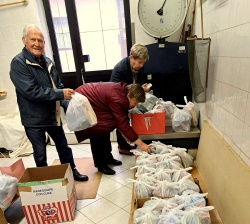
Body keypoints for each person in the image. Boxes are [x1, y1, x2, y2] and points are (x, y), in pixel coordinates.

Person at [10, 24, 88, 182]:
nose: (37, 44)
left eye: (41, 40)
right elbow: (31, 91)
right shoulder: (18, 63)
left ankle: (72, 172)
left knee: (63, 147)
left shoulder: (47, 61)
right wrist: (60, 93)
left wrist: (70, 106)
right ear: (24, 41)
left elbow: (58, 86)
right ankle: (44, 181)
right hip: (33, 120)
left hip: (52, 115)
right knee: (40, 154)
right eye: (33, 39)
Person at [74, 82, 151, 175]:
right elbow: (122, 123)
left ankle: (107, 157)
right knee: (97, 130)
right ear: (129, 95)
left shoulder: (124, 92)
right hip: (84, 100)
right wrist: (141, 144)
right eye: (135, 102)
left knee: (106, 126)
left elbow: (122, 117)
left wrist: (126, 133)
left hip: (92, 99)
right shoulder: (117, 98)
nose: (135, 105)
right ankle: (101, 164)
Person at [110, 43, 150, 155]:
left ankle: (125, 144)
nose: (141, 65)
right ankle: (122, 146)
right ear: (132, 57)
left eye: (143, 62)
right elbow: (116, 91)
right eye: (140, 62)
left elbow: (138, 83)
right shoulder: (120, 69)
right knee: (121, 120)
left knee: (125, 121)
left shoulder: (139, 67)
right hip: (119, 98)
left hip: (130, 96)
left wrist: (141, 88)